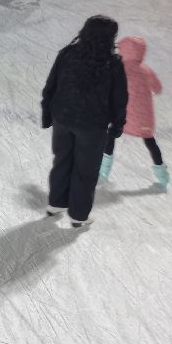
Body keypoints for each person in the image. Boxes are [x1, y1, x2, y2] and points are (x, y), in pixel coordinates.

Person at [41, 14, 128, 228]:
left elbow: (50, 85)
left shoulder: (67, 54)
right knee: (85, 171)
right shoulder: (113, 64)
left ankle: (56, 203)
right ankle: (79, 215)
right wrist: (117, 127)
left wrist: (47, 114)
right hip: (92, 127)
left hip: (63, 119)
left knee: (62, 160)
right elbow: (120, 99)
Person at [101, 37, 168, 189]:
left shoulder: (118, 68)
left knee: (110, 136)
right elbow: (157, 89)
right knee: (150, 142)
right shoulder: (146, 70)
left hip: (121, 115)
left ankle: (103, 171)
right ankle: (163, 176)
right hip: (143, 117)